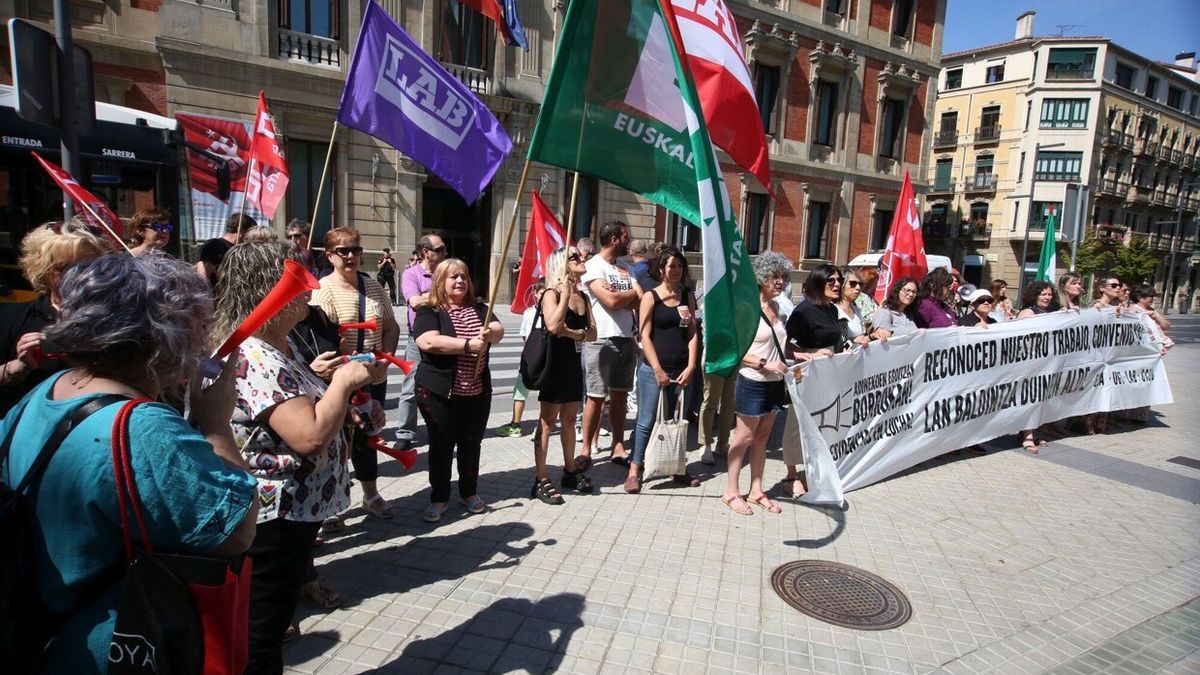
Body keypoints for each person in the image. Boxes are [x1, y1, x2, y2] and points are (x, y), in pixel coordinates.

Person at [0, 253, 258, 673]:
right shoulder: (143, 427)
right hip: (117, 648)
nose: (203, 340)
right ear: (162, 336)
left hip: (36, 634)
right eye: (196, 327)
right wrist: (216, 425)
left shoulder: (52, 388)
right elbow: (236, 533)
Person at [214, 241, 379, 672]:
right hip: (273, 520)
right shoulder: (255, 353)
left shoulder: (279, 345)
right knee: (261, 636)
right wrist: (343, 384)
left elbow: (302, 411)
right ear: (271, 291)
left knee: (272, 623)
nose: (310, 290)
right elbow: (307, 436)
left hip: (293, 513)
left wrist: (342, 403)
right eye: (299, 280)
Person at [313, 227, 401, 520]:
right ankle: (333, 504)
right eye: (343, 250)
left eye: (356, 249)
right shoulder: (322, 290)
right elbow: (322, 342)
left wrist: (385, 362)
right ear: (329, 255)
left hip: (374, 376)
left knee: (368, 436)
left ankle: (370, 495)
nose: (351, 256)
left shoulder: (373, 286)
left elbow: (391, 327)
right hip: (338, 380)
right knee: (336, 440)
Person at [413, 258, 505, 522]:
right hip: (439, 392)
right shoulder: (429, 310)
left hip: (476, 392)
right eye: (453, 277)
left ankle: (469, 492)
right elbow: (428, 341)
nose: (460, 281)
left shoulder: (479, 308)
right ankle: (439, 497)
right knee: (441, 446)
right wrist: (467, 345)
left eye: (464, 276)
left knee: (471, 444)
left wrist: (490, 334)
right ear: (441, 281)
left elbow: (498, 330)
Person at [1, 220, 111, 417]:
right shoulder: (13, 317)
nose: (82, 275)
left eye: (90, 265)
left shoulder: (120, 320)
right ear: (42, 270)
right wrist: (19, 367)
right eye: (67, 268)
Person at [722, 251, 793, 516]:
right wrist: (764, 364)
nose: (780, 282)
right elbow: (735, 351)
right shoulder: (746, 308)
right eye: (775, 276)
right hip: (752, 380)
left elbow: (780, 345)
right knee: (744, 437)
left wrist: (805, 354)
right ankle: (731, 490)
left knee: (762, 437)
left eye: (784, 277)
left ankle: (756, 490)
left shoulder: (776, 307)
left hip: (775, 382)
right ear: (761, 277)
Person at [628, 246, 700, 493]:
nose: (676, 270)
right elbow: (645, 336)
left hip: (681, 371)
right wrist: (657, 368)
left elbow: (692, 334)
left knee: (677, 421)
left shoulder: (686, 297)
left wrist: (692, 365)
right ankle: (635, 470)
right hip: (653, 371)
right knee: (646, 421)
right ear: (661, 269)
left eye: (680, 266)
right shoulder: (651, 297)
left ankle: (677, 467)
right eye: (672, 266)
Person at [530, 248, 596, 504]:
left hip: (572, 364)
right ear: (562, 264)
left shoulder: (584, 297)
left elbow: (592, 334)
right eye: (574, 257)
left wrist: (573, 333)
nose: (581, 260)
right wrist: (565, 294)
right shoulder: (551, 293)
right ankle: (541, 477)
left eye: (580, 256)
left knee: (569, 419)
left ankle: (569, 469)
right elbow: (553, 326)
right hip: (553, 363)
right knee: (547, 422)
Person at [779, 264, 849, 498]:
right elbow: (783, 345)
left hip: (828, 377)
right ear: (818, 282)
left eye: (839, 280)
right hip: (807, 375)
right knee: (796, 424)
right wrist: (810, 353)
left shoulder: (830, 309)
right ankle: (791, 475)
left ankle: (811, 472)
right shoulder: (803, 311)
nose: (837, 284)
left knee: (822, 424)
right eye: (831, 281)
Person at [578, 221, 641, 471]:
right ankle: (585, 450)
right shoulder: (592, 266)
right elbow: (611, 300)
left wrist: (626, 296)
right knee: (595, 397)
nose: (629, 240)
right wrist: (629, 294)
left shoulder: (626, 268)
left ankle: (618, 446)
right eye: (626, 236)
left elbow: (640, 301)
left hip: (626, 338)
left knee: (620, 396)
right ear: (615, 239)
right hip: (600, 340)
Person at [398, 234, 448, 452]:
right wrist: (441, 294)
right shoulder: (411, 274)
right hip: (418, 338)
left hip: (445, 336)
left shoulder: (447, 272)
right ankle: (405, 433)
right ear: (425, 252)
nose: (445, 253)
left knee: (443, 385)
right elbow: (415, 301)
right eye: (441, 249)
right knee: (410, 386)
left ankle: (442, 428)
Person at [497, 282, 543, 438]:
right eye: (540, 292)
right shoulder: (529, 313)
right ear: (535, 293)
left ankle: (541, 426)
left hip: (546, 358)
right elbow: (525, 335)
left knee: (544, 394)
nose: (542, 295)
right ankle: (515, 424)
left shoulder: (553, 312)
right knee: (520, 390)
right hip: (530, 357)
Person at [1015, 280, 1056, 451]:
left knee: (1039, 399)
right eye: (1043, 294)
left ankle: (1033, 431)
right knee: (1029, 399)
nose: (1047, 297)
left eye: (1049, 294)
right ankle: (1027, 435)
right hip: (1028, 363)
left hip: (1044, 363)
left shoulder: (1050, 312)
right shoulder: (1027, 313)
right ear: (1035, 295)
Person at [196, 213, 255, 289]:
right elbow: (202, 276)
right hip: (216, 298)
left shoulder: (242, 249)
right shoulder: (214, 245)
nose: (252, 236)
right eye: (251, 231)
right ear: (239, 229)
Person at [834, 268, 869, 344]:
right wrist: (853, 340)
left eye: (861, 284)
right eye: (853, 283)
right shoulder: (832, 310)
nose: (858, 288)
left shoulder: (857, 310)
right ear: (841, 283)